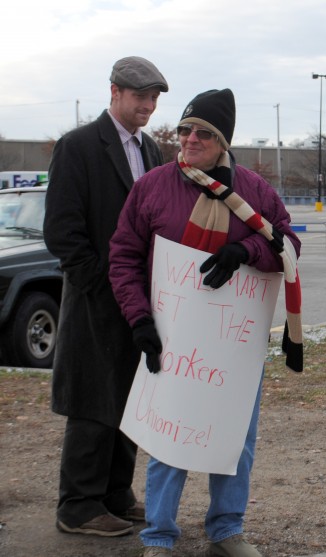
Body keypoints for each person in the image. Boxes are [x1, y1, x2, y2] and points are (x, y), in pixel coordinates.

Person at [108, 88, 301, 557]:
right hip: (171, 337)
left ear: (223, 142)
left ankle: (227, 530)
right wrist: (139, 321)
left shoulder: (255, 192)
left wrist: (246, 250)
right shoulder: (153, 186)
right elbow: (124, 256)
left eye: (204, 132)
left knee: (234, 436)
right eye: (185, 129)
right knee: (169, 436)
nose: (190, 139)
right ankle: (159, 535)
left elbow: (289, 245)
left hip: (233, 346)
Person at [43, 56, 168, 537]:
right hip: (97, 299)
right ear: (114, 92)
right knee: (94, 401)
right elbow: (62, 232)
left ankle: (116, 494)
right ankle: (78, 505)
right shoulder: (78, 146)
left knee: (131, 399)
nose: (149, 106)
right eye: (140, 96)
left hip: (138, 299)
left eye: (154, 98)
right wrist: (104, 284)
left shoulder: (152, 150)